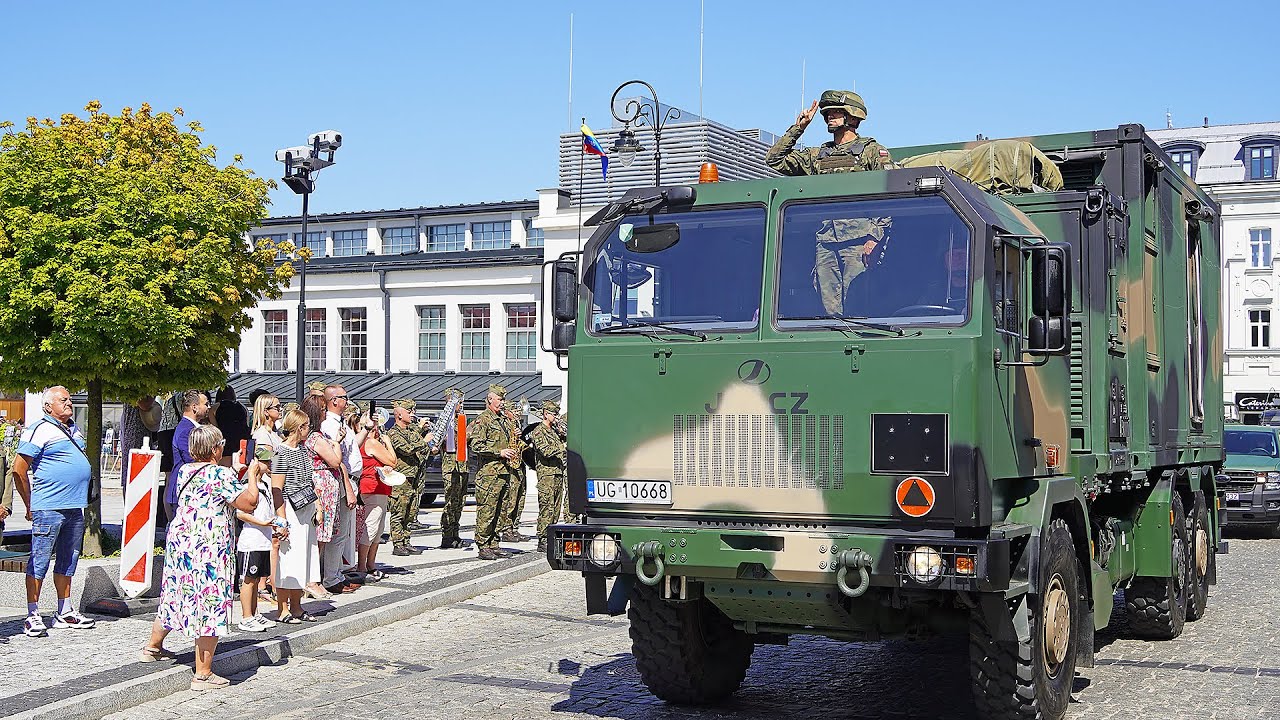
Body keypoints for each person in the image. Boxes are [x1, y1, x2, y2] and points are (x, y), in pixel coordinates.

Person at [140, 425, 259, 690]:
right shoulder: (220, 473)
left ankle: (153, 648)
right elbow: (249, 502)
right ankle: (203, 674)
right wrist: (251, 474)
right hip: (209, 548)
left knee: (176, 595)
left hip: (182, 544)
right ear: (216, 448)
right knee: (210, 602)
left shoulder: (184, 471)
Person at [13, 387, 95, 637]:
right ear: (48, 406)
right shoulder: (38, 429)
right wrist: (30, 504)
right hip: (48, 506)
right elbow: (19, 469)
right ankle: (33, 614)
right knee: (39, 560)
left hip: (74, 506)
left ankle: (65, 610)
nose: (70, 403)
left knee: (68, 559)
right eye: (64, 400)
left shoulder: (74, 428)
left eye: (70, 399)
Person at [269, 409, 320, 624]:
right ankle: (283, 609)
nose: (309, 428)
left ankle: (297, 606)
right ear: (299, 428)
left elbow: (309, 480)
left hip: (304, 509)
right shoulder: (282, 452)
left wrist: (317, 506)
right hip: (289, 509)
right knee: (287, 560)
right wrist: (282, 519)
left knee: (302, 560)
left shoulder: (302, 450)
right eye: (307, 425)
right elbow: (276, 488)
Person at [765, 89, 892, 177]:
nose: (830, 116)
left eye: (836, 111)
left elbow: (893, 191)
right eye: (828, 113)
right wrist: (799, 127)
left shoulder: (871, 152)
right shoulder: (816, 156)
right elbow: (774, 160)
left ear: (853, 117)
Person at [319, 386, 365, 594]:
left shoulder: (340, 422)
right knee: (337, 532)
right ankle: (331, 577)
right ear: (334, 400)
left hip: (349, 479)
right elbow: (337, 459)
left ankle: (336, 573)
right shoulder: (328, 424)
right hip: (340, 480)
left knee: (343, 533)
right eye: (345, 398)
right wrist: (348, 486)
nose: (348, 402)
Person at [468, 384, 520, 561]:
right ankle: (483, 545)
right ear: (490, 399)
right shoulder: (483, 419)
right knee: (487, 510)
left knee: (501, 510)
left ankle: (494, 543)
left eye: (503, 399)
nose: (502, 402)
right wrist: (499, 452)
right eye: (500, 399)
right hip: (489, 474)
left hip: (504, 472)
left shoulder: (504, 420)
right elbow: (475, 445)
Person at [234, 446, 281, 633]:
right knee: (249, 579)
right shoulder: (248, 485)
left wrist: (272, 523)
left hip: (263, 540)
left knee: (256, 579)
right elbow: (241, 513)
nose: (269, 464)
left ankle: (254, 613)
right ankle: (246, 617)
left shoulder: (265, 484)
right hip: (251, 540)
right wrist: (262, 522)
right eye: (265, 461)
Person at [301, 395, 342, 598]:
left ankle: (312, 578)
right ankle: (312, 580)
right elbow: (334, 461)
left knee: (321, 536)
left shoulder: (311, 436)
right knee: (321, 536)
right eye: (323, 411)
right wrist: (336, 444)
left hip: (323, 484)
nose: (326, 414)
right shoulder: (316, 437)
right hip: (322, 485)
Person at [386, 399, 433, 556]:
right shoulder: (393, 433)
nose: (413, 414)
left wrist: (429, 447)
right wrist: (424, 442)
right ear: (399, 414)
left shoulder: (411, 432)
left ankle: (406, 540)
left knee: (410, 512)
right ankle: (398, 543)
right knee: (399, 511)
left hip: (414, 476)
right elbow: (407, 449)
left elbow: (419, 452)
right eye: (409, 411)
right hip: (401, 477)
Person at [356, 410, 396, 579]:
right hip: (373, 488)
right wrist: (388, 442)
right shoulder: (371, 442)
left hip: (377, 487)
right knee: (371, 528)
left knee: (377, 529)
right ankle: (362, 565)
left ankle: (370, 564)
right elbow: (393, 460)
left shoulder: (366, 441)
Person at [530, 401, 568, 553]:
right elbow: (545, 451)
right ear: (546, 414)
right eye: (554, 414)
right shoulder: (538, 431)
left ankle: (552, 536)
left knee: (556, 508)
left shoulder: (554, 431)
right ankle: (543, 538)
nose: (556, 417)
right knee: (547, 507)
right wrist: (561, 447)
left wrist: (563, 435)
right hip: (546, 474)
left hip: (557, 473)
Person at [165, 391, 209, 521]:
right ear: (194, 407)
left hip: (189, 491)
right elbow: (193, 460)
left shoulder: (191, 428)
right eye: (206, 404)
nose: (209, 407)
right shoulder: (186, 430)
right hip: (184, 492)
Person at [436, 390, 468, 550]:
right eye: (457, 402)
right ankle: (447, 536)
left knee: (459, 502)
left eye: (461, 402)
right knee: (450, 502)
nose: (460, 405)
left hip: (462, 466)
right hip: (450, 467)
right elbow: (437, 441)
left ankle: (455, 533)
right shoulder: (444, 421)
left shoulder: (460, 420)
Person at [496, 400, 529, 543]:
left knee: (520, 498)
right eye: (513, 411)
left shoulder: (515, 424)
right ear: (506, 412)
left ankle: (515, 527)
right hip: (510, 467)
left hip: (519, 464)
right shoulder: (504, 425)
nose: (516, 413)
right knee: (511, 499)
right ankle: (507, 529)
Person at [214, 387, 251, 468]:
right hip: (241, 445)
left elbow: (214, 428)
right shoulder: (242, 407)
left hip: (224, 446)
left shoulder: (215, 408)